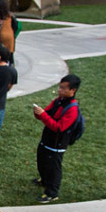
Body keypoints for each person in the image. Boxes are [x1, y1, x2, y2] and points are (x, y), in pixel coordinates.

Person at [33, 74, 81, 203]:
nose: (60, 90)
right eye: (60, 87)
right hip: (46, 139)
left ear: (73, 90)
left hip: (57, 144)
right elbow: (47, 114)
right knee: (42, 161)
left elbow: (59, 128)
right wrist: (39, 113)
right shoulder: (58, 101)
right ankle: (44, 180)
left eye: (64, 88)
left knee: (54, 168)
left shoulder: (72, 109)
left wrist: (43, 115)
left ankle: (52, 192)